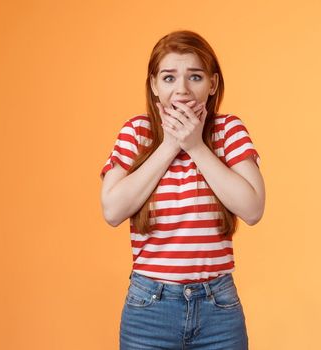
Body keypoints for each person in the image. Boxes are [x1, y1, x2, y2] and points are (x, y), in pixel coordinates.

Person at [99, 30, 266, 349]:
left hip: (218, 308)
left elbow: (253, 208)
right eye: (169, 77)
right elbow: (112, 210)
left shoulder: (228, 131)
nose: (182, 89)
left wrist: (196, 146)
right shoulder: (137, 132)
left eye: (195, 76)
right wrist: (170, 145)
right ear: (154, 85)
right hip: (149, 309)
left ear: (213, 84)